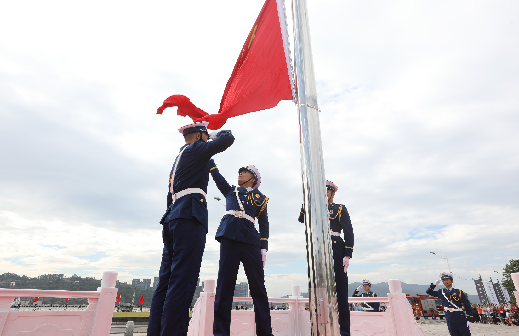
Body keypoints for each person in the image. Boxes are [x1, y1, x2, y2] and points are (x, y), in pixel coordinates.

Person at [148, 122, 234, 336]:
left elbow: (169, 196)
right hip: (189, 215)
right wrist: (215, 134)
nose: (207, 140)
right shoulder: (195, 149)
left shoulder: (178, 159)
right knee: (183, 279)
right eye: (205, 136)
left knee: (165, 281)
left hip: (173, 217)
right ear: (198, 136)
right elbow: (228, 138)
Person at [210, 164, 274, 336]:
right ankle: (220, 333)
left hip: (251, 241)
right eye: (239, 172)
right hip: (229, 236)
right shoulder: (231, 191)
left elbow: (264, 224)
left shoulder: (260, 198)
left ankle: (265, 333)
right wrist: (208, 155)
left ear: (252, 179)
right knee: (224, 287)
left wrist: (264, 248)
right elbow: (216, 176)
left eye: (244, 173)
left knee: (258, 288)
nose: (240, 174)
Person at [298, 180, 354, 336]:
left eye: (326, 191)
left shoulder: (339, 208)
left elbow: (349, 232)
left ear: (332, 193)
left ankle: (344, 332)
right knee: (317, 289)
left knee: (341, 290)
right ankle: (318, 329)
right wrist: (307, 200)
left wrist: (347, 254)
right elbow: (301, 219)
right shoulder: (314, 209)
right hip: (318, 247)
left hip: (336, 246)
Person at [426, 272, 474, 336]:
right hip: (449, 318)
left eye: (447, 279)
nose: (445, 281)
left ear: (452, 281)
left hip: (460, 317)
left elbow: (467, 306)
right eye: (444, 280)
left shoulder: (458, 292)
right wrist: (434, 284)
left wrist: (469, 319)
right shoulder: (441, 292)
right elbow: (428, 292)